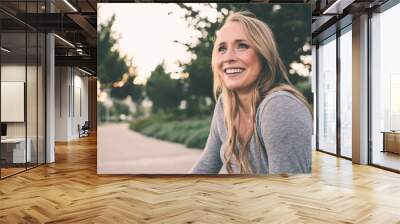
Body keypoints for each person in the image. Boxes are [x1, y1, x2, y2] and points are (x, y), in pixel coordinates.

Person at [191, 11, 313, 174]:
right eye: (222, 48)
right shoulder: (225, 103)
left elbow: (287, 193)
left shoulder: (279, 107)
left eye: (242, 45)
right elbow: (205, 167)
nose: (228, 57)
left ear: (263, 55)